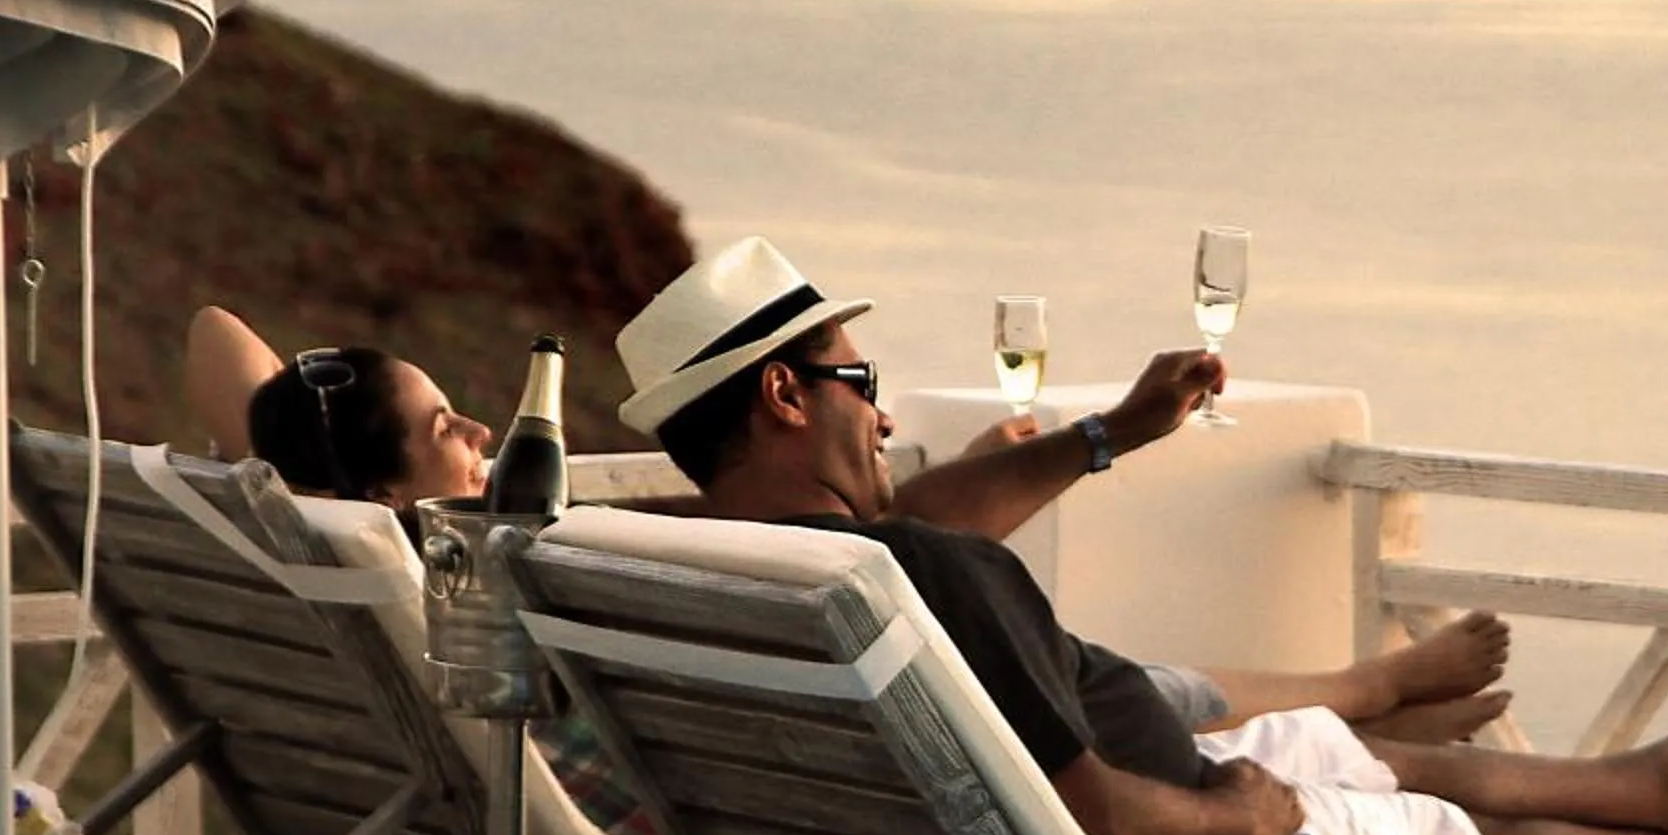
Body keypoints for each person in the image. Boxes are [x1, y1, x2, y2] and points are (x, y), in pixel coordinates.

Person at [617, 237, 1668, 835]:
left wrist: (1112, 432)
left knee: (1328, 750)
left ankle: (1665, 780)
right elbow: (1110, 830)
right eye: (861, 386)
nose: (880, 418)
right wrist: (1236, 820)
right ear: (783, 393)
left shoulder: (704, 567)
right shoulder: (922, 574)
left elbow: (910, 518)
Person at [179, 306, 1514, 745]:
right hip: (746, 783)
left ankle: (1366, 699)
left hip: (715, 707)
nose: (485, 434)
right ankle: (1367, 694)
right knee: (1108, 696)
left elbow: (213, 342)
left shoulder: (374, 560)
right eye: (448, 431)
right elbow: (862, 553)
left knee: (1081, 672)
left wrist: (294, 451)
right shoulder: (505, 568)